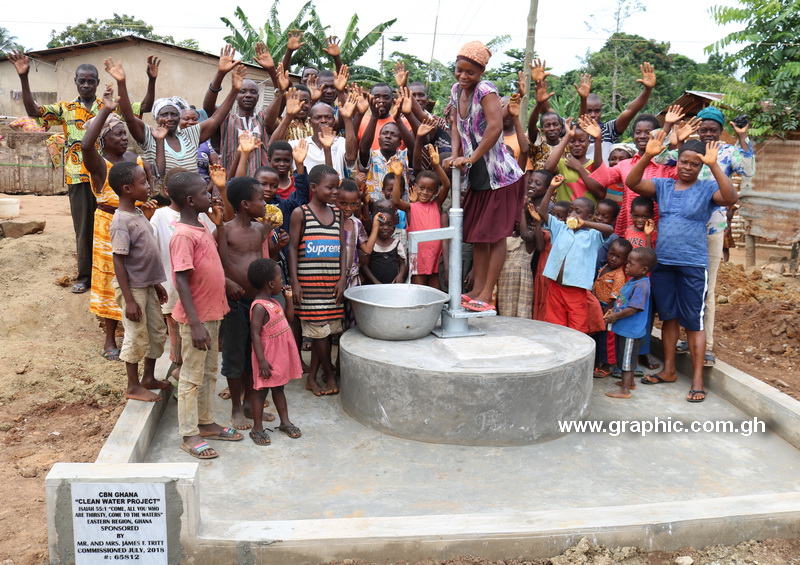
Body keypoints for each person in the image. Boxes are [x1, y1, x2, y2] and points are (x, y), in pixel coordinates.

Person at [626, 133, 738, 403]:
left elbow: (730, 196)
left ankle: (698, 380)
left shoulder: (706, 188)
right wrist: (648, 155)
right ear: (677, 162)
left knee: (694, 321)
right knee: (669, 318)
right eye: (684, 162)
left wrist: (713, 166)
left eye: (694, 164)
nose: (688, 167)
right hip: (664, 262)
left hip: (693, 264)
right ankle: (669, 371)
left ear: (700, 167)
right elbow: (632, 182)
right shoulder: (663, 186)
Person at [9, 53, 103, 293]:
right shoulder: (65, 108)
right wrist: (24, 77)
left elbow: (141, 109)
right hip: (78, 176)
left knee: (107, 226)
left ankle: (107, 275)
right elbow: (34, 111)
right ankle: (84, 277)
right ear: (76, 82)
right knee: (83, 230)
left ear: (97, 83)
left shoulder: (107, 107)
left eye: (91, 81)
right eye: (82, 80)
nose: (86, 85)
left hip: (105, 178)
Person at [445, 41, 526, 312]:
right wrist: (456, 156)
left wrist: (471, 157)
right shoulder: (456, 91)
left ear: (481, 71)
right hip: (477, 177)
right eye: (459, 70)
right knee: (478, 234)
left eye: (470, 72)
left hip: (500, 175)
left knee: (495, 236)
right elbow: (456, 127)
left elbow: (494, 128)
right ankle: (476, 289)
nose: (463, 76)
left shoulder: (486, 91)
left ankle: (488, 294)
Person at [672, 106, 754, 367]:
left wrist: (742, 137)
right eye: (704, 128)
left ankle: (706, 345)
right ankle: (688, 338)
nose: (708, 134)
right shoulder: (688, 150)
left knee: (707, 289)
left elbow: (749, 170)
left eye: (713, 129)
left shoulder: (728, 152)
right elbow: (661, 158)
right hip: (683, 229)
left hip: (712, 229)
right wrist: (679, 138)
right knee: (682, 286)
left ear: (721, 131)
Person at [169, 172, 243, 460]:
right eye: (204, 193)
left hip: (212, 315)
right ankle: (189, 434)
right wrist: (196, 324)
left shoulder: (199, 226)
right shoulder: (183, 236)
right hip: (196, 321)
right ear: (190, 200)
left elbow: (214, 264)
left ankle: (206, 421)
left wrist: (218, 224)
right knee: (191, 377)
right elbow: (182, 281)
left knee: (209, 372)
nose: (210, 196)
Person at [81, 86, 156, 361]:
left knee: (135, 274)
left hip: (135, 222)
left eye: (125, 133)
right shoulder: (98, 164)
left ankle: (133, 331)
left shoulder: (133, 160)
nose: (124, 138)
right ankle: (109, 337)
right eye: (118, 133)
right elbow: (85, 145)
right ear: (104, 138)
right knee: (109, 277)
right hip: (108, 224)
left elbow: (146, 189)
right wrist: (106, 109)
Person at [106, 56, 246, 178]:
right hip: (162, 202)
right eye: (164, 114)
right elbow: (129, 117)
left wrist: (235, 90)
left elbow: (215, 119)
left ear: (179, 117)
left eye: (174, 114)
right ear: (156, 117)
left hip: (190, 199)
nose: (169, 118)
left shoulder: (189, 135)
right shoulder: (150, 135)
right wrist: (121, 82)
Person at [108, 161, 171, 402]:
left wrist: (156, 284)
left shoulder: (137, 213)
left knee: (156, 332)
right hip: (132, 289)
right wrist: (130, 300)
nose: (148, 186)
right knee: (136, 335)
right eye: (143, 182)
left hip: (147, 286)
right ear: (127, 189)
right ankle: (132, 386)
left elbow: (145, 254)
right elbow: (119, 261)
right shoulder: (121, 221)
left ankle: (149, 377)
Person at [149, 167, 217, 383]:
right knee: (181, 352)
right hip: (174, 293)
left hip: (200, 298)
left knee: (197, 352)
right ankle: (182, 389)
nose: (209, 196)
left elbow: (211, 247)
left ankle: (187, 386)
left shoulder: (202, 216)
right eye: (204, 192)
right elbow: (150, 245)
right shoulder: (160, 215)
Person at [218, 176, 272, 430]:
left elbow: (258, 259)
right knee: (234, 355)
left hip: (257, 303)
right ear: (244, 204)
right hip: (235, 303)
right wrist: (228, 282)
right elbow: (215, 262)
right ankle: (237, 408)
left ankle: (251, 403)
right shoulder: (225, 230)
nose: (264, 202)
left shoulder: (260, 229)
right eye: (259, 199)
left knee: (254, 353)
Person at [289, 165, 346, 396]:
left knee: (326, 332)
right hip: (309, 286)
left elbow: (341, 249)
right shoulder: (300, 213)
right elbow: (292, 249)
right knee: (319, 332)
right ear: (313, 188)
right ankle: (328, 374)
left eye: (337, 188)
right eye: (330, 187)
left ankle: (312, 378)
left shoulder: (338, 214)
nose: (335, 192)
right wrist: (295, 282)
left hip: (332, 286)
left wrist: (342, 278)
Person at [537, 169, 614, 333]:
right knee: (554, 325)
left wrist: (585, 223)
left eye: (578, 212)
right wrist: (551, 188)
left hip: (575, 290)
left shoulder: (592, 236)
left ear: (590, 216)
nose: (572, 214)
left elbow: (609, 229)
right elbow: (542, 212)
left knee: (577, 327)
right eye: (571, 210)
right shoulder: (561, 228)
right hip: (555, 286)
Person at [203, 43, 288, 177]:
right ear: (236, 95)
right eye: (243, 91)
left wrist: (272, 70)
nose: (248, 95)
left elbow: (279, 100)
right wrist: (220, 73)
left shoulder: (263, 117)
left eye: (253, 92)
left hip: (260, 185)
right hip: (229, 185)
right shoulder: (226, 119)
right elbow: (208, 107)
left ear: (258, 97)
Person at [247, 258, 303, 446]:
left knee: (279, 387)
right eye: (280, 277)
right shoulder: (260, 306)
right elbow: (255, 333)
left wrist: (288, 300)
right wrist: (261, 361)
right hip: (267, 356)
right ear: (271, 283)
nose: (282, 280)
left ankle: (285, 422)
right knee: (260, 391)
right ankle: (257, 428)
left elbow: (289, 319)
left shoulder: (273, 301)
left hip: (278, 354)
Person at [390, 146, 451, 289]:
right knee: (420, 293)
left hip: (435, 259)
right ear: (415, 187)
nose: (424, 192)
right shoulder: (411, 208)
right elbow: (396, 201)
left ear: (435, 191)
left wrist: (436, 165)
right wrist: (397, 176)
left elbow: (446, 185)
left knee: (435, 293)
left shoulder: (436, 204)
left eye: (430, 190)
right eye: (421, 188)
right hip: (418, 259)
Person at [603, 247, 658, 399]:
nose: (626, 265)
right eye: (627, 262)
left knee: (627, 360)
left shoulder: (642, 285)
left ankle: (625, 390)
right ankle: (630, 383)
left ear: (643, 269)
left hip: (631, 331)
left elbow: (634, 309)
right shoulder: (635, 280)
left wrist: (616, 316)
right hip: (625, 329)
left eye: (630, 264)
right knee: (624, 357)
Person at [577, 63, 656, 161]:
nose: (593, 115)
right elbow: (579, 122)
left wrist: (647, 90)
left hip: (606, 176)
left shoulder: (608, 130)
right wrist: (583, 99)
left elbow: (630, 111)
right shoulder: (574, 131)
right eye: (589, 111)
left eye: (597, 111)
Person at [336, 180, 381, 327]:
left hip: (353, 279)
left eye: (353, 204)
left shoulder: (356, 223)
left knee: (351, 320)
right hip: (334, 277)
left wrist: (375, 226)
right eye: (343, 203)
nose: (348, 208)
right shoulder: (329, 220)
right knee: (334, 321)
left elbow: (367, 249)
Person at [592, 238, 633, 378]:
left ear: (625, 260)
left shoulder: (619, 276)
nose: (613, 259)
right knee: (596, 336)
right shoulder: (604, 267)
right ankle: (596, 362)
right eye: (611, 254)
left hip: (608, 309)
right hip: (597, 305)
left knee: (607, 339)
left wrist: (608, 310)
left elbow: (616, 296)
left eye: (619, 257)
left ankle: (608, 364)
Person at [544, 116, 605, 203]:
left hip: (588, 216)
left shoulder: (594, 165)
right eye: (572, 141)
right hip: (564, 215)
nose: (576, 144)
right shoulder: (562, 163)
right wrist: (567, 136)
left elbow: (600, 194)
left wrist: (579, 168)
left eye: (581, 141)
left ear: (588, 142)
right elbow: (547, 167)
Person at [362, 206, 408, 284]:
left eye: (389, 225)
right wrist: (374, 281)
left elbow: (402, 263)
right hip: (373, 286)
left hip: (392, 285)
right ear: (375, 225)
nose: (386, 228)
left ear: (394, 225)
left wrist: (400, 275)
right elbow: (364, 265)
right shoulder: (371, 244)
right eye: (381, 225)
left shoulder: (396, 243)